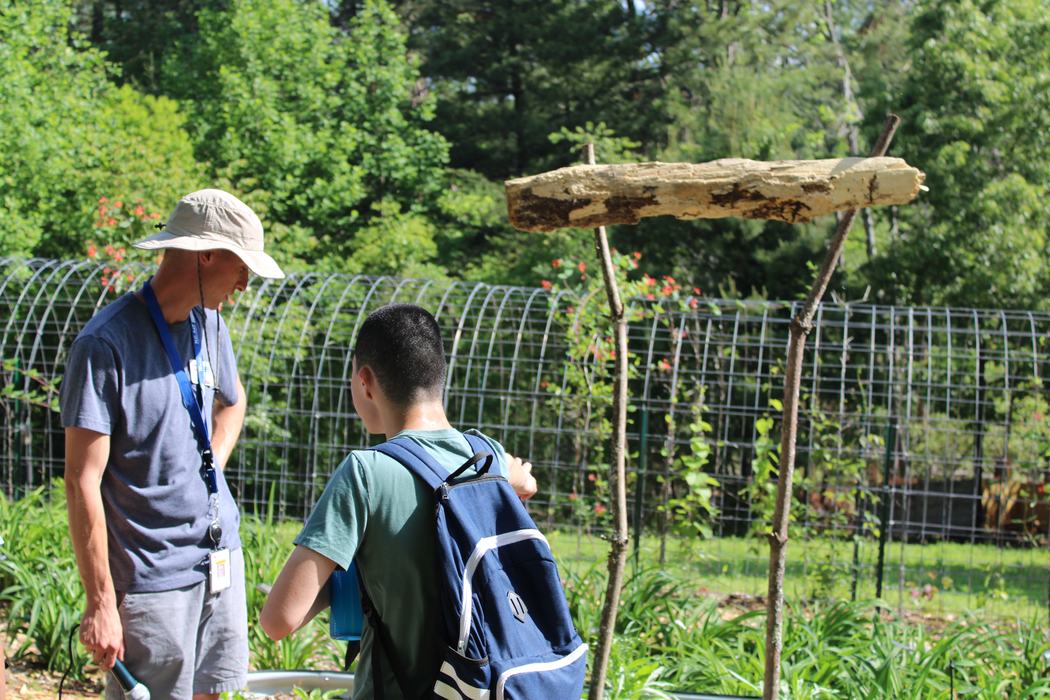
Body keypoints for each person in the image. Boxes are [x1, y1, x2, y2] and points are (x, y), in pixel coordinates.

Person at [62, 189, 285, 700]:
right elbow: (81, 482)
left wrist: (209, 469)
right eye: (241, 266)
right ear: (204, 255)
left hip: (219, 561)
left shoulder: (211, 325)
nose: (245, 283)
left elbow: (233, 401)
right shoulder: (105, 345)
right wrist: (100, 603)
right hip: (150, 580)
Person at [260, 303, 538, 699]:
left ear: (365, 380)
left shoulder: (365, 473)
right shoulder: (488, 456)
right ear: (438, 375)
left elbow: (279, 620)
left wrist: (348, 579)